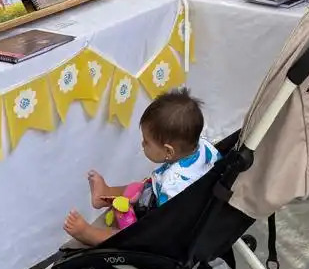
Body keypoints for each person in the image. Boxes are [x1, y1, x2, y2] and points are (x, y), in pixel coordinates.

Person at [64, 88, 218, 245]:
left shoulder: (172, 187)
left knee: (130, 234)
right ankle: (106, 194)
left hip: (166, 223)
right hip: (190, 199)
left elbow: (161, 228)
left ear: (168, 151)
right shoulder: (203, 145)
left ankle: (90, 234)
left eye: (146, 141)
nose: (142, 144)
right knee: (141, 186)